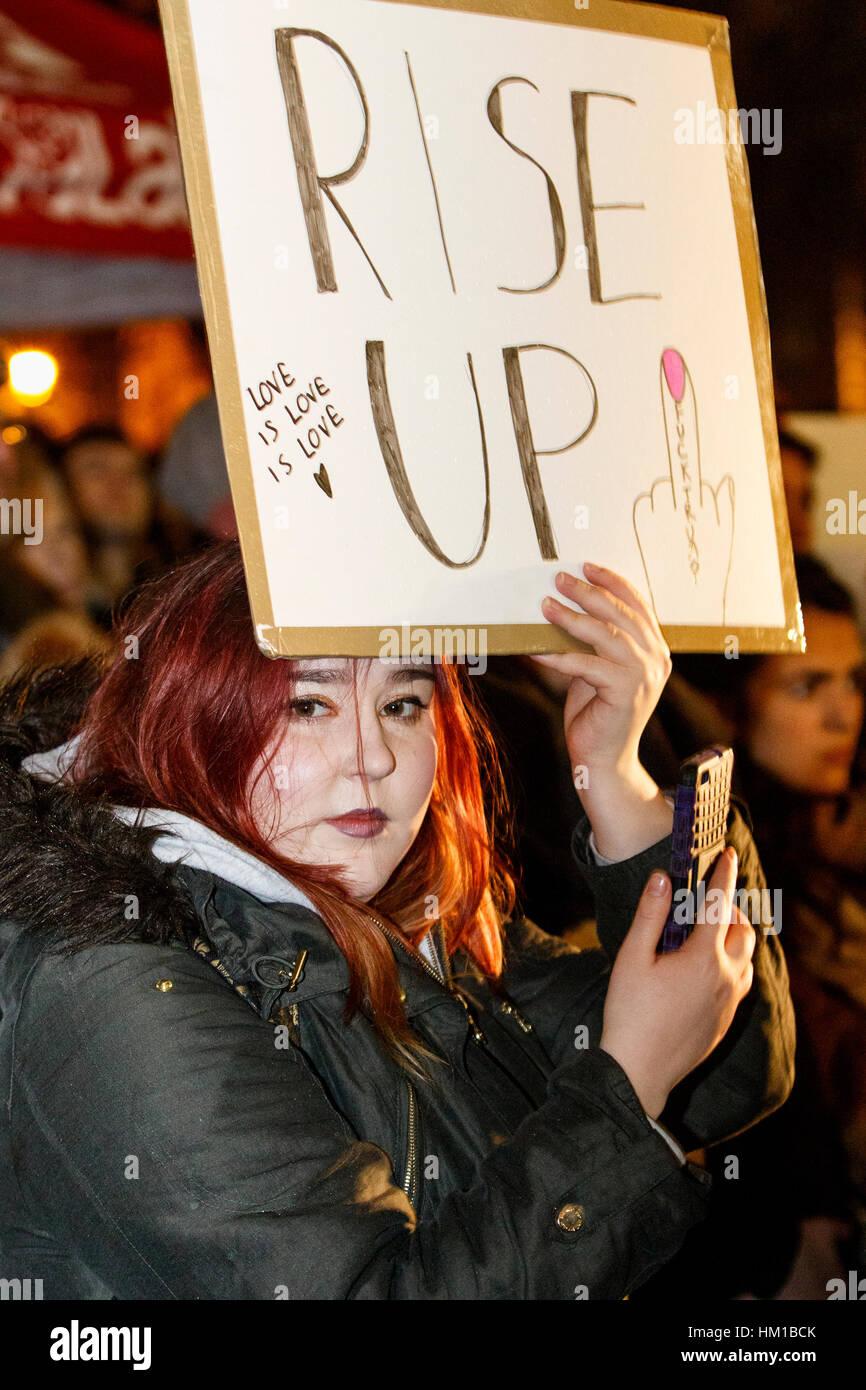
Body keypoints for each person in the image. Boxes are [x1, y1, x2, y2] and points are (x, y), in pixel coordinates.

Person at [0, 542, 794, 1299]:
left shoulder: (412, 914)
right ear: (192, 720)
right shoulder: (112, 979)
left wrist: (615, 777)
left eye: (403, 704)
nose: (372, 755)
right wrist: (624, 1084)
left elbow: (726, 1070)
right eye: (309, 704)